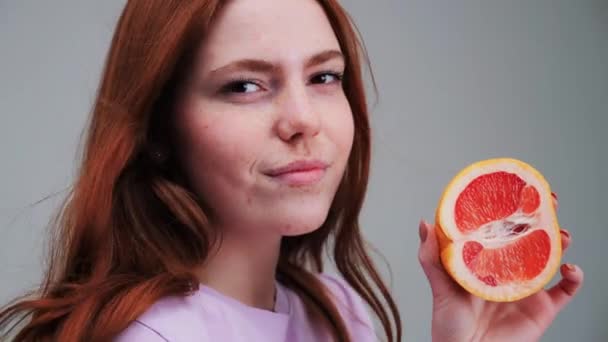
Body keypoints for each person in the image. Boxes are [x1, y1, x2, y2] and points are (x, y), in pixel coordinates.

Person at [0, 0, 583, 341]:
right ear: (158, 129)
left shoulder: (339, 313)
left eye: (324, 77)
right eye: (245, 85)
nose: (304, 120)